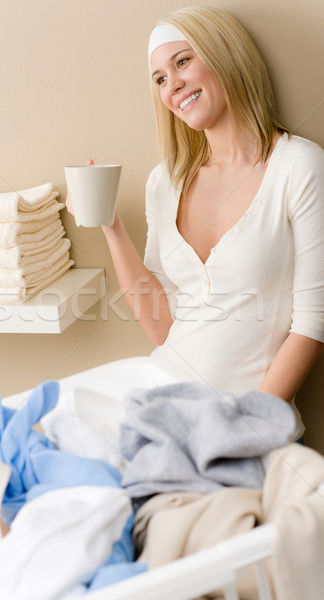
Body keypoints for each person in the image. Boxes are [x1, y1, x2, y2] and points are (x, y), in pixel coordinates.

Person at [67, 6, 324, 438]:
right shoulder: (165, 181)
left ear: (225, 55)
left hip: (248, 420)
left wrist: (242, 428)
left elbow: (312, 324)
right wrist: (110, 224)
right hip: (159, 398)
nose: (173, 86)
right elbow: (161, 325)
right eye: (160, 79)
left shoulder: (300, 166)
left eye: (182, 61)